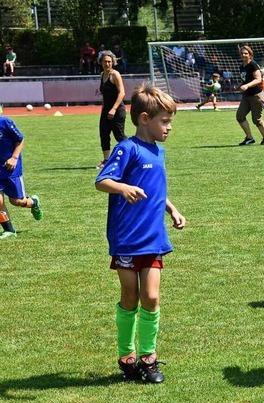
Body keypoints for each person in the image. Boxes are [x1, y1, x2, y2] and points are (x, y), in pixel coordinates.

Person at [95, 84, 185, 383]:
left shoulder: (159, 152)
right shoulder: (127, 148)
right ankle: (127, 356)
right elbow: (102, 180)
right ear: (145, 118)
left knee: (152, 296)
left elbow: (156, 190)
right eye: (165, 121)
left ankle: (149, 357)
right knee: (130, 296)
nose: (169, 127)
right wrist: (123, 187)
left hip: (153, 237)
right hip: (126, 238)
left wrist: (172, 209)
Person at [0, 114, 43, 239]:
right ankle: (9, 230)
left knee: (17, 201)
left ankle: (33, 202)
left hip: (11, 167)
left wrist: (14, 158)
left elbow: (20, 139)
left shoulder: (5, 122)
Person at [236, 45, 264, 146]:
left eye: (246, 53)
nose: (243, 55)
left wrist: (246, 85)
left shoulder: (253, 65)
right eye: (242, 53)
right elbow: (246, 80)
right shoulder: (242, 66)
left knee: (257, 120)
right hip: (246, 96)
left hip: (256, 95)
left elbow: (258, 79)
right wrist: (239, 86)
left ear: (250, 55)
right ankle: (249, 138)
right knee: (240, 116)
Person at [97, 51, 127, 169]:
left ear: (113, 62)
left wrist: (114, 109)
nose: (107, 64)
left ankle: (132, 156)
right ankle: (106, 160)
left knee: (119, 136)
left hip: (117, 109)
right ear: (101, 62)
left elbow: (122, 93)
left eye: (109, 61)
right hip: (106, 110)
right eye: (105, 61)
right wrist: (106, 109)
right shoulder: (102, 75)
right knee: (103, 134)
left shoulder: (115, 75)